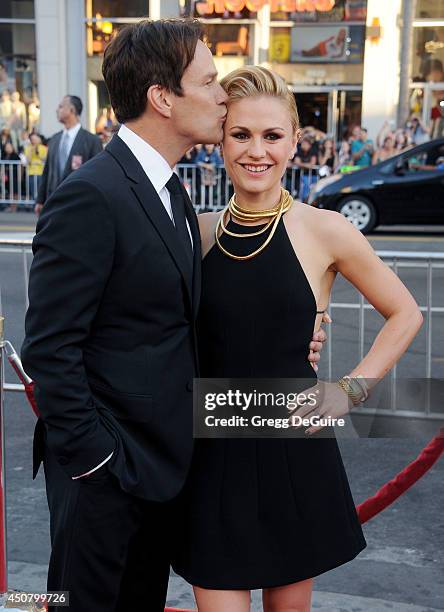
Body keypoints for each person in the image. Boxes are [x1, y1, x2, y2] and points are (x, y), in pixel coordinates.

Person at [20, 19, 329, 612]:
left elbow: (175, 319)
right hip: (107, 477)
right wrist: (98, 461)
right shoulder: (93, 194)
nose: (222, 96)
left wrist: (296, 327)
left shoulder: (172, 192)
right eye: (210, 82)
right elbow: (50, 349)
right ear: (163, 98)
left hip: (162, 472)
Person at [171, 66, 423, 612]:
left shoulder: (325, 229)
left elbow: (404, 313)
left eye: (272, 136)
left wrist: (348, 391)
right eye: (240, 135)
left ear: (293, 143)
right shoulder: (198, 230)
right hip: (211, 454)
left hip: (292, 451)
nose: (255, 151)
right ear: (220, 142)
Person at [33, 95, 102, 215]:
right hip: (54, 206)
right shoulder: (55, 140)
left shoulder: (91, 141)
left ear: (72, 110)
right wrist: (40, 200)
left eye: (61, 106)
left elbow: (99, 176)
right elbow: (47, 171)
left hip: (80, 206)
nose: (57, 110)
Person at [24, 133, 47, 201]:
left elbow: (45, 159)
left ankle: (40, 203)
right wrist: (31, 151)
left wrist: (38, 153)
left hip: (41, 172)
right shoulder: (28, 148)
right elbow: (28, 160)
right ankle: (35, 204)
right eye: (33, 139)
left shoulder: (44, 148)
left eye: (36, 138)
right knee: (33, 190)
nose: (34, 140)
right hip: (31, 172)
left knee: (41, 190)